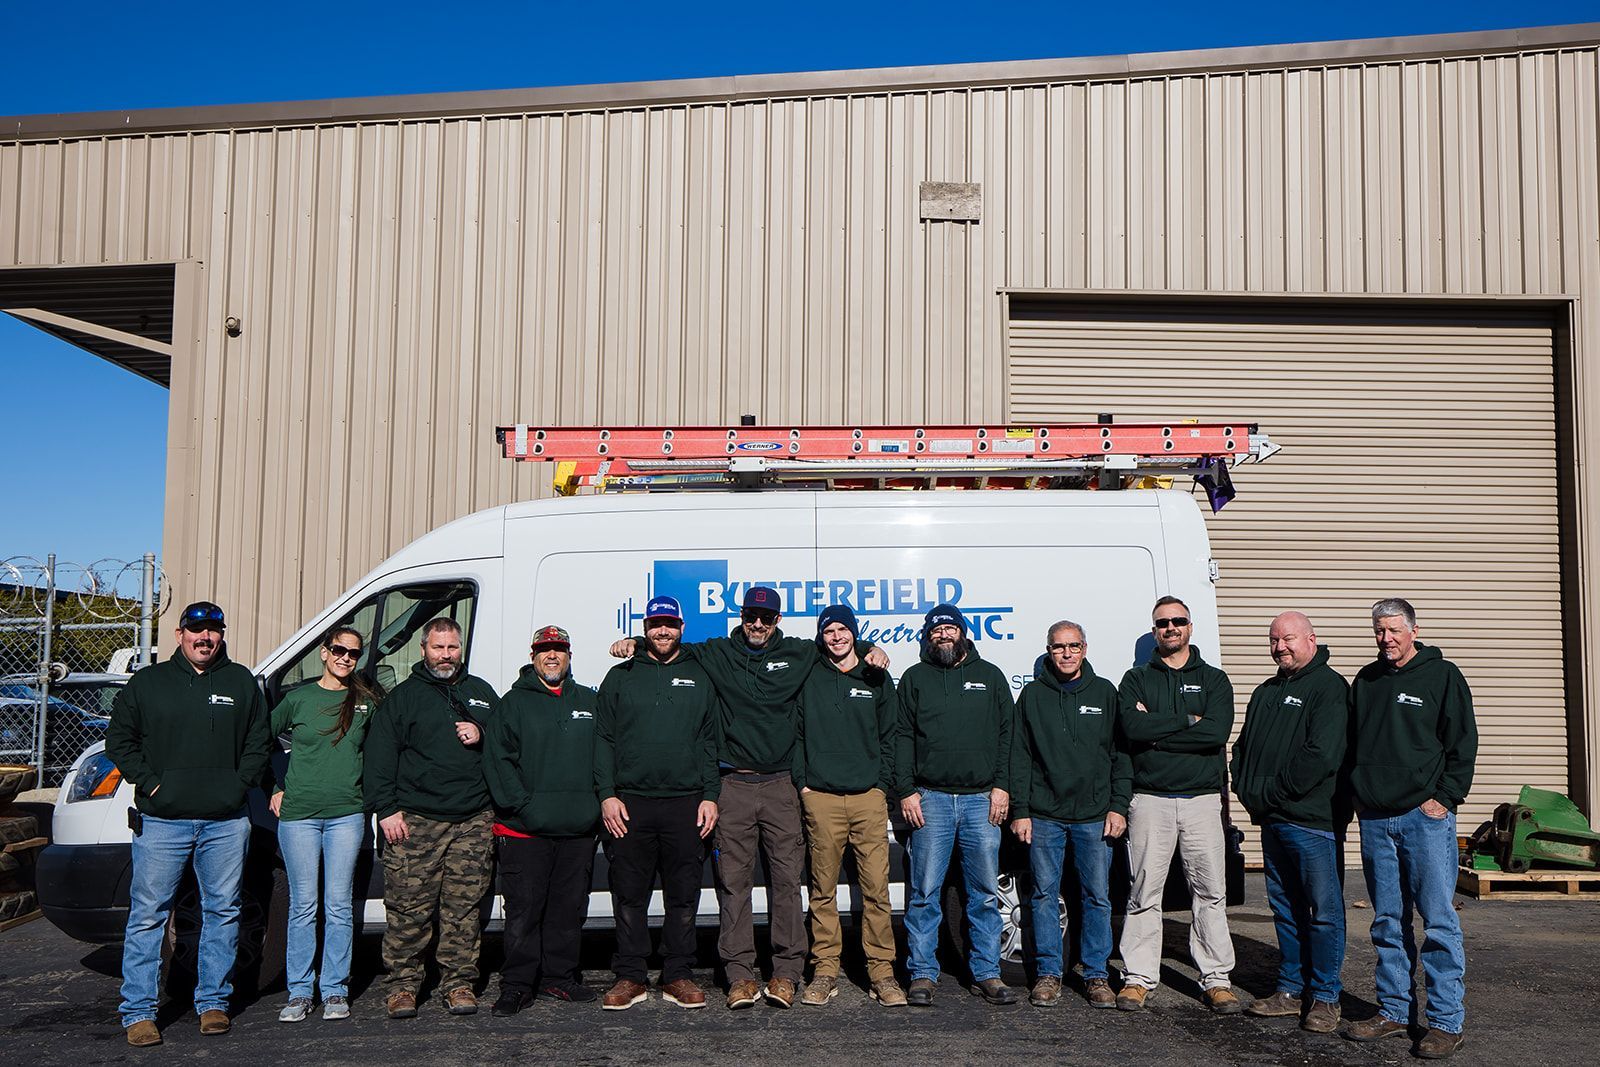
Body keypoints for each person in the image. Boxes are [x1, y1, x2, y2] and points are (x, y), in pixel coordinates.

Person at [609, 586, 886, 1010]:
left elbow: (838, 644)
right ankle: (739, 975)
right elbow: (669, 645)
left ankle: (786, 973)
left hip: (781, 787)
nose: (759, 624)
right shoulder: (716, 652)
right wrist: (635, 641)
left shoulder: (799, 652)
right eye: (751, 616)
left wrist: (871, 648)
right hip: (733, 785)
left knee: (786, 884)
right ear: (741, 617)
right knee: (733, 885)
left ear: (778, 621)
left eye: (767, 617)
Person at [105, 600, 272, 1047]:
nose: (205, 638)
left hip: (225, 821)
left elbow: (260, 738)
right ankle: (138, 1012)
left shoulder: (240, 681)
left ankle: (213, 1001)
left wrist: (240, 785)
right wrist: (152, 782)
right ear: (179, 635)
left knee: (223, 911)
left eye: (214, 630)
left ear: (221, 635)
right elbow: (119, 738)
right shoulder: (149, 683)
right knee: (148, 917)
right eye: (196, 630)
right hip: (162, 822)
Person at [1344, 598, 1476, 1060]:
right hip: (1377, 820)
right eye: (1379, 631)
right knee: (1386, 922)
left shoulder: (1443, 676)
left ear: (1414, 630)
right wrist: (1360, 796)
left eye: (1394, 630)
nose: (1386, 639)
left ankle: (1445, 1022)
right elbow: (1352, 743)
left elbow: (1462, 743)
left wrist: (1444, 799)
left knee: (1438, 921)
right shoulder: (1367, 680)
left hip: (1425, 820)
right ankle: (1394, 1012)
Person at [363, 617, 499, 1019]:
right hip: (415, 821)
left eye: (452, 648)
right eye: (438, 647)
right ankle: (403, 986)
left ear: (461, 649)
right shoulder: (403, 698)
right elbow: (379, 758)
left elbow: (509, 742)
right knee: (409, 909)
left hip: (473, 820)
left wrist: (483, 731)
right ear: (423, 649)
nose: (446, 655)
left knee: (463, 908)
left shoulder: (481, 694)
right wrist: (386, 810)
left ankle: (458, 983)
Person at [1116, 596, 1241, 1014]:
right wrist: (1189, 719)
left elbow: (1215, 734)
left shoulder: (1215, 680)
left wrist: (1159, 729)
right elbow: (1132, 728)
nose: (1170, 628)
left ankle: (1216, 978)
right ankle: (1138, 977)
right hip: (1149, 800)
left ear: (1190, 626)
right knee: (1144, 892)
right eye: (1162, 623)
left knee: (1209, 892)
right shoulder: (1135, 678)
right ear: (1154, 631)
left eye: (1178, 621)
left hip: (1201, 801)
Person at [595, 595, 721, 1011]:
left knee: (682, 896)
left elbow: (708, 741)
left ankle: (678, 974)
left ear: (682, 627)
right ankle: (631, 975)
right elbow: (604, 740)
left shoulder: (701, 675)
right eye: (654, 624)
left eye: (669, 624)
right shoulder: (621, 676)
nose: (662, 631)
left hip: (686, 803)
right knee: (629, 894)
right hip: (631, 804)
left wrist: (709, 795)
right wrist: (607, 795)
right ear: (644, 628)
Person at [1232, 611, 1349, 1033]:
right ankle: (1289, 989)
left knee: (1323, 911)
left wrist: (1273, 794)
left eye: (1288, 639)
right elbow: (1243, 748)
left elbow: (1321, 755)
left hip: (1311, 821)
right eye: (1274, 640)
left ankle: (1325, 997)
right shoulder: (1266, 691)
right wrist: (1248, 791)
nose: (1280, 647)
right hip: (1272, 819)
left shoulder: (1328, 688)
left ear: (1311, 639)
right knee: (1284, 909)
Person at [895, 604, 1018, 1008]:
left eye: (950, 629)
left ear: (963, 633)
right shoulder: (914, 679)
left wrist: (1001, 786)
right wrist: (907, 790)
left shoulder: (991, 677)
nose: (943, 635)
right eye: (936, 631)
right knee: (924, 892)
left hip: (981, 800)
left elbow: (1007, 735)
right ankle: (923, 974)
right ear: (927, 637)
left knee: (983, 893)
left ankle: (986, 973)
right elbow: (902, 738)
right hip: (930, 800)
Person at [1008, 620, 1130, 1010]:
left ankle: (1096, 975)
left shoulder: (1105, 693)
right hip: (1045, 815)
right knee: (1044, 895)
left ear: (1085, 649)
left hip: (1095, 815)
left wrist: (1118, 805)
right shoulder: (1032, 696)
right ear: (1049, 650)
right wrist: (1021, 810)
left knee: (1097, 896)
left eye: (1073, 646)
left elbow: (1121, 755)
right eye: (1058, 647)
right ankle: (1048, 973)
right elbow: (1020, 757)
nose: (1066, 653)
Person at [483, 625, 600, 1015]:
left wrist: (594, 806)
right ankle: (517, 984)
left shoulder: (588, 701)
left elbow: (604, 756)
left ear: (569, 655)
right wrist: (524, 806)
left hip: (578, 828)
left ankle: (559, 979)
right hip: (524, 829)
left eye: (559, 649)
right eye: (544, 650)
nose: (552, 656)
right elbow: (498, 761)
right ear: (533, 656)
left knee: (568, 910)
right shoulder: (512, 704)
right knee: (524, 910)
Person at [792, 604, 905, 1008]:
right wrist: (804, 786)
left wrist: (880, 786)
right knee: (822, 891)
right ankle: (825, 971)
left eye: (844, 629)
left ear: (855, 633)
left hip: (867, 799)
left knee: (876, 890)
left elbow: (891, 735)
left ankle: (882, 973)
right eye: (829, 631)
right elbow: (798, 733)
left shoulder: (876, 676)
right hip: (820, 798)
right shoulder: (809, 675)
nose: (837, 637)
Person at [269, 625, 382, 1023]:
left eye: (353, 653)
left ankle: (335, 989)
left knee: (338, 904)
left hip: (347, 815)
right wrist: (274, 785)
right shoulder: (298, 699)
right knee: (303, 905)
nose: (345, 658)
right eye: (338, 650)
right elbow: (260, 740)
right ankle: (300, 992)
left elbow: (383, 748)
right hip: (299, 816)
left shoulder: (366, 700)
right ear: (323, 652)